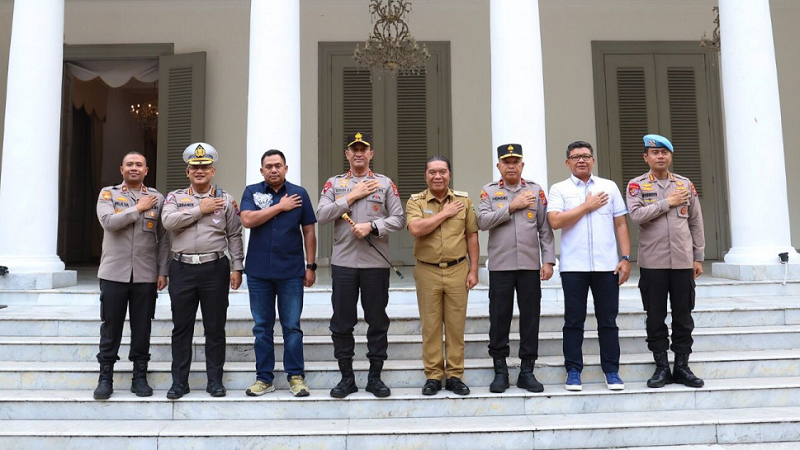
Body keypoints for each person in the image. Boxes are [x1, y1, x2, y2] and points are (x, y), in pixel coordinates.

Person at [316, 132, 405, 398]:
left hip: (375, 265)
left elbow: (399, 219)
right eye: (353, 149)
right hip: (344, 264)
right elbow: (321, 215)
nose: (358, 153)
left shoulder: (385, 183)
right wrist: (350, 197)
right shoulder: (334, 184)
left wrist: (373, 226)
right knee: (342, 323)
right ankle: (347, 378)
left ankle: (375, 377)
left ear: (371, 154)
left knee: (377, 321)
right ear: (347, 154)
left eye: (363, 149)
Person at [162, 142, 244, 399]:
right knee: (181, 328)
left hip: (214, 267)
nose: (200, 171)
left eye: (205, 167)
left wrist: (237, 267)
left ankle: (215, 381)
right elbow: (168, 222)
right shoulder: (175, 198)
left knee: (215, 327)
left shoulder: (226, 200)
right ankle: (179, 382)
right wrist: (201, 209)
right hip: (182, 267)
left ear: (213, 171)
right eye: (195, 167)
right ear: (187, 172)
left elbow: (234, 234)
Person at [547, 141, 631, 391]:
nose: (581, 160)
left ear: (593, 160)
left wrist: (625, 258)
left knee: (608, 320)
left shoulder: (609, 186)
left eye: (585, 156)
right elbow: (555, 221)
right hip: (574, 267)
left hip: (607, 266)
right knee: (574, 320)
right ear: (567, 162)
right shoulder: (559, 189)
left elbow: (621, 225)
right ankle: (573, 370)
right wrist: (586, 206)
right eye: (575, 157)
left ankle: (611, 371)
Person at [627, 134, 705, 389]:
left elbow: (695, 221)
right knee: (655, 316)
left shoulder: (684, 184)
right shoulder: (637, 186)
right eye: (655, 152)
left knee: (683, 316)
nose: (660, 156)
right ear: (646, 157)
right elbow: (637, 215)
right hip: (653, 263)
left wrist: (698, 257)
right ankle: (661, 366)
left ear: (671, 156)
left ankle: (682, 366)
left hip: (683, 261)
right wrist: (666, 203)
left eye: (665, 152)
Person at [477, 143, 555, 393]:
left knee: (530, 318)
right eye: (506, 162)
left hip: (530, 266)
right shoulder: (489, 192)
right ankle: (500, 370)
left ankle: (526, 370)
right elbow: (482, 221)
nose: (511, 166)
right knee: (499, 318)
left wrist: (548, 260)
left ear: (522, 165)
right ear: (498, 166)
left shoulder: (535, 191)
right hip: (501, 267)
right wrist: (511, 206)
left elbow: (544, 228)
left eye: (515, 162)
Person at [240, 149, 317, 398]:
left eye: (278, 165)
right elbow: (248, 220)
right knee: (262, 327)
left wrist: (311, 265)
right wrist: (280, 207)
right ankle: (264, 378)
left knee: (292, 327)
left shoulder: (299, 194)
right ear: (261, 170)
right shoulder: (252, 191)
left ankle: (296, 377)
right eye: (268, 166)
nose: (274, 170)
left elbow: (309, 232)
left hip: (291, 271)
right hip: (258, 271)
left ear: (286, 168)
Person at [93, 152, 170, 400]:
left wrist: (162, 270)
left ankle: (140, 376)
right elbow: (109, 222)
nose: (134, 168)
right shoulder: (109, 194)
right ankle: (105, 377)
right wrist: (138, 208)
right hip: (114, 272)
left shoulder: (157, 198)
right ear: (121, 169)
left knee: (142, 327)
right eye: (129, 164)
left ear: (146, 170)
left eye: (139, 165)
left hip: (146, 274)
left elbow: (164, 238)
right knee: (111, 326)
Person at [406, 155, 479, 396]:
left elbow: (471, 236)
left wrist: (474, 269)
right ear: (425, 175)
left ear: (449, 174)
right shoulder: (415, 201)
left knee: (456, 326)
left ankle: (455, 375)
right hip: (427, 270)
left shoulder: (463, 201)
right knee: (431, 326)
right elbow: (416, 229)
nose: (438, 176)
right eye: (432, 172)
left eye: (442, 171)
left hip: (458, 269)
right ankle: (434, 376)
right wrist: (445, 214)